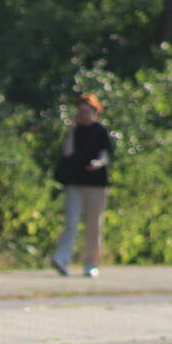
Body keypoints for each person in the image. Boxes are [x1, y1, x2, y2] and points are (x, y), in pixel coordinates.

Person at [51, 93, 114, 278]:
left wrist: (98, 163)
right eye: (81, 111)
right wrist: (71, 129)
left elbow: (105, 155)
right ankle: (61, 259)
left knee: (93, 225)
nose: (84, 114)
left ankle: (91, 264)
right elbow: (67, 153)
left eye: (87, 111)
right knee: (70, 223)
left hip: (96, 185)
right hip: (75, 183)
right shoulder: (76, 131)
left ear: (95, 111)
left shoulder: (101, 130)